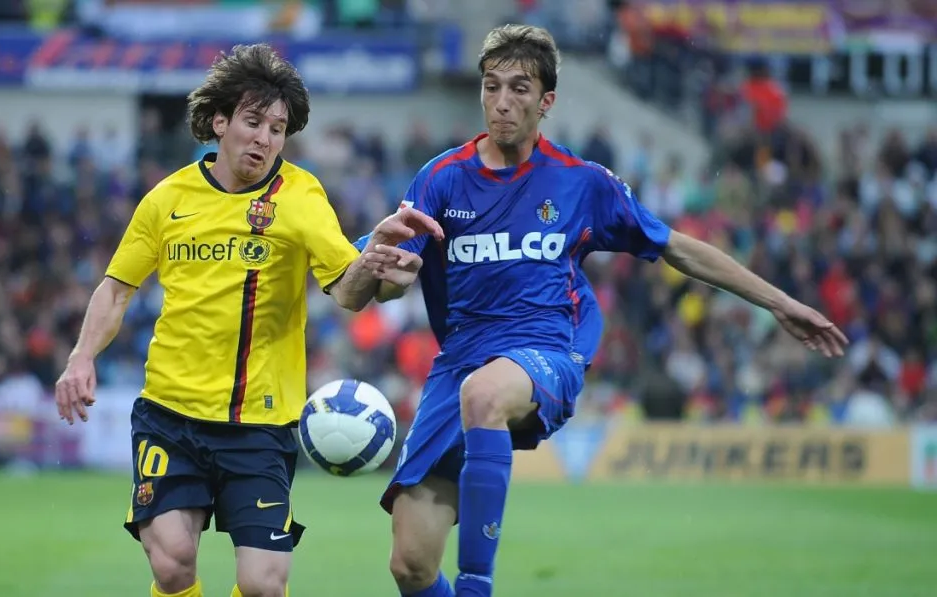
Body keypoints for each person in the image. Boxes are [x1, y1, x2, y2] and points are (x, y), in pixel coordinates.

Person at [356, 24, 848, 597]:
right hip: (458, 363)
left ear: (547, 102)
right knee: (410, 565)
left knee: (484, 396)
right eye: (492, 86)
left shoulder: (581, 183)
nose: (503, 102)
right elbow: (390, 282)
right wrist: (390, 279)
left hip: (544, 352)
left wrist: (781, 302)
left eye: (520, 88)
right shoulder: (440, 178)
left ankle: (476, 589)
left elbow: (676, 246)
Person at [53, 44, 441, 597]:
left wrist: (377, 264)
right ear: (220, 122)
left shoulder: (302, 197)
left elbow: (348, 289)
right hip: (170, 414)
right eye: (253, 122)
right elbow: (116, 289)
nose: (265, 138)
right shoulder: (168, 199)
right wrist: (81, 357)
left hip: (259, 425)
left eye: (278, 129)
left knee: (263, 586)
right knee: (172, 563)